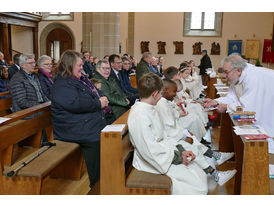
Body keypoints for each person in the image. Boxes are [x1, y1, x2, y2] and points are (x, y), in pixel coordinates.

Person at [128, 72, 208, 195]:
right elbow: (149, 150)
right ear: (154, 94)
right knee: (198, 186)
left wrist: (180, 151)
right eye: (161, 93)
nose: (162, 96)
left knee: (199, 173)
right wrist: (177, 157)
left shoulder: (149, 109)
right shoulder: (139, 115)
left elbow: (164, 136)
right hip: (152, 161)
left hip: (164, 154)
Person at [51, 50, 111, 189]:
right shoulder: (62, 84)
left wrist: (101, 100)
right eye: (79, 65)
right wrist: (98, 103)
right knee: (97, 137)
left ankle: (106, 179)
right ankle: (97, 186)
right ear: (69, 65)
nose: (82, 68)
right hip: (70, 128)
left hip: (79, 123)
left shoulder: (78, 80)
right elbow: (74, 104)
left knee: (108, 131)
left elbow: (92, 95)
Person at [203, 53, 274, 137]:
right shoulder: (237, 77)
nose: (224, 76)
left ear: (239, 70)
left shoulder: (253, 77)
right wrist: (215, 102)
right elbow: (232, 97)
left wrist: (227, 107)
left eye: (226, 72)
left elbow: (249, 109)